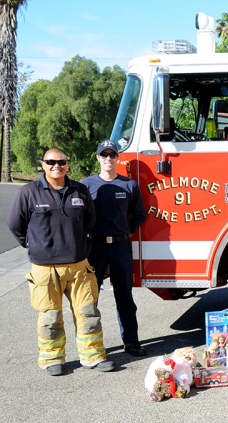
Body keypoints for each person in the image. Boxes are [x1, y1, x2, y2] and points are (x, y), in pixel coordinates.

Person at [7, 148, 114, 376]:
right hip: (45, 269)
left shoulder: (80, 190)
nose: (57, 165)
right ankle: (52, 359)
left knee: (88, 312)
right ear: (43, 164)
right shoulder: (28, 193)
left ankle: (93, 355)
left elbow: (89, 221)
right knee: (50, 316)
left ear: (67, 164)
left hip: (79, 265)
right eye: (51, 161)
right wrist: (34, 244)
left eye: (62, 161)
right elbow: (15, 224)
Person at [81, 140, 147, 356]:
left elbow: (139, 215)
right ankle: (90, 346)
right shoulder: (86, 185)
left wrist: (126, 233)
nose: (108, 159)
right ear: (98, 158)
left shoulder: (129, 185)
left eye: (112, 155)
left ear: (118, 158)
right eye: (104, 155)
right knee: (90, 298)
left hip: (120, 247)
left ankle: (131, 342)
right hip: (96, 247)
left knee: (124, 297)